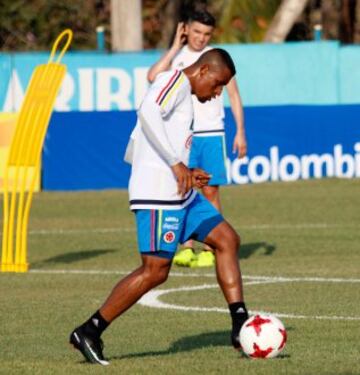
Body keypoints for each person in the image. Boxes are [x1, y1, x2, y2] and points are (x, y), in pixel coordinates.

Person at [69, 48, 248, 365]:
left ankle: (239, 325)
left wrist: (188, 172)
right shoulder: (173, 80)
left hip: (181, 192)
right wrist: (176, 164)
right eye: (218, 84)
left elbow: (160, 139)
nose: (218, 93)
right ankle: (89, 330)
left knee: (227, 239)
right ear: (204, 70)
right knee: (155, 272)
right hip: (156, 194)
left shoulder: (185, 96)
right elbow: (147, 112)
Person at [147, 10, 247, 268]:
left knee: (210, 189)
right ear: (186, 30)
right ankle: (186, 247)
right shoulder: (179, 59)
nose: (201, 38)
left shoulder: (217, 59)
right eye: (197, 32)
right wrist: (173, 48)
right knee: (184, 186)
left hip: (212, 133)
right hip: (186, 136)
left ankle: (209, 248)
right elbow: (152, 77)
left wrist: (240, 131)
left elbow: (233, 95)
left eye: (206, 34)